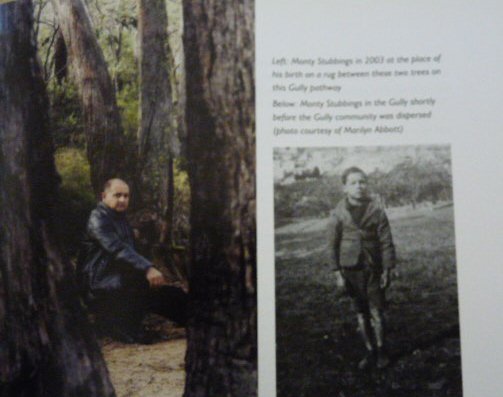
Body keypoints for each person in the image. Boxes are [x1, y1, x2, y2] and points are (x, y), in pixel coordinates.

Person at [77, 178, 187, 344]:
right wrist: (148, 268)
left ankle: (197, 319)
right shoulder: (97, 219)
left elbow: (131, 252)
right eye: (117, 195)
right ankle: (123, 330)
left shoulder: (120, 218)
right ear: (104, 196)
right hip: (98, 283)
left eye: (126, 196)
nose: (122, 200)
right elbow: (117, 248)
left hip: (119, 280)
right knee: (142, 287)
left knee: (167, 293)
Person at [327, 167, 396, 369]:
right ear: (344, 188)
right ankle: (370, 351)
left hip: (373, 268)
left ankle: (382, 350)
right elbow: (332, 245)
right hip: (350, 270)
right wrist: (337, 273)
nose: (359, 186)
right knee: (361, 312)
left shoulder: (377, 211)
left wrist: (387, 269)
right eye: (353, 183)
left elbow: (386, 241)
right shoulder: (337, 213)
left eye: (362, 182)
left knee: (377, 311)